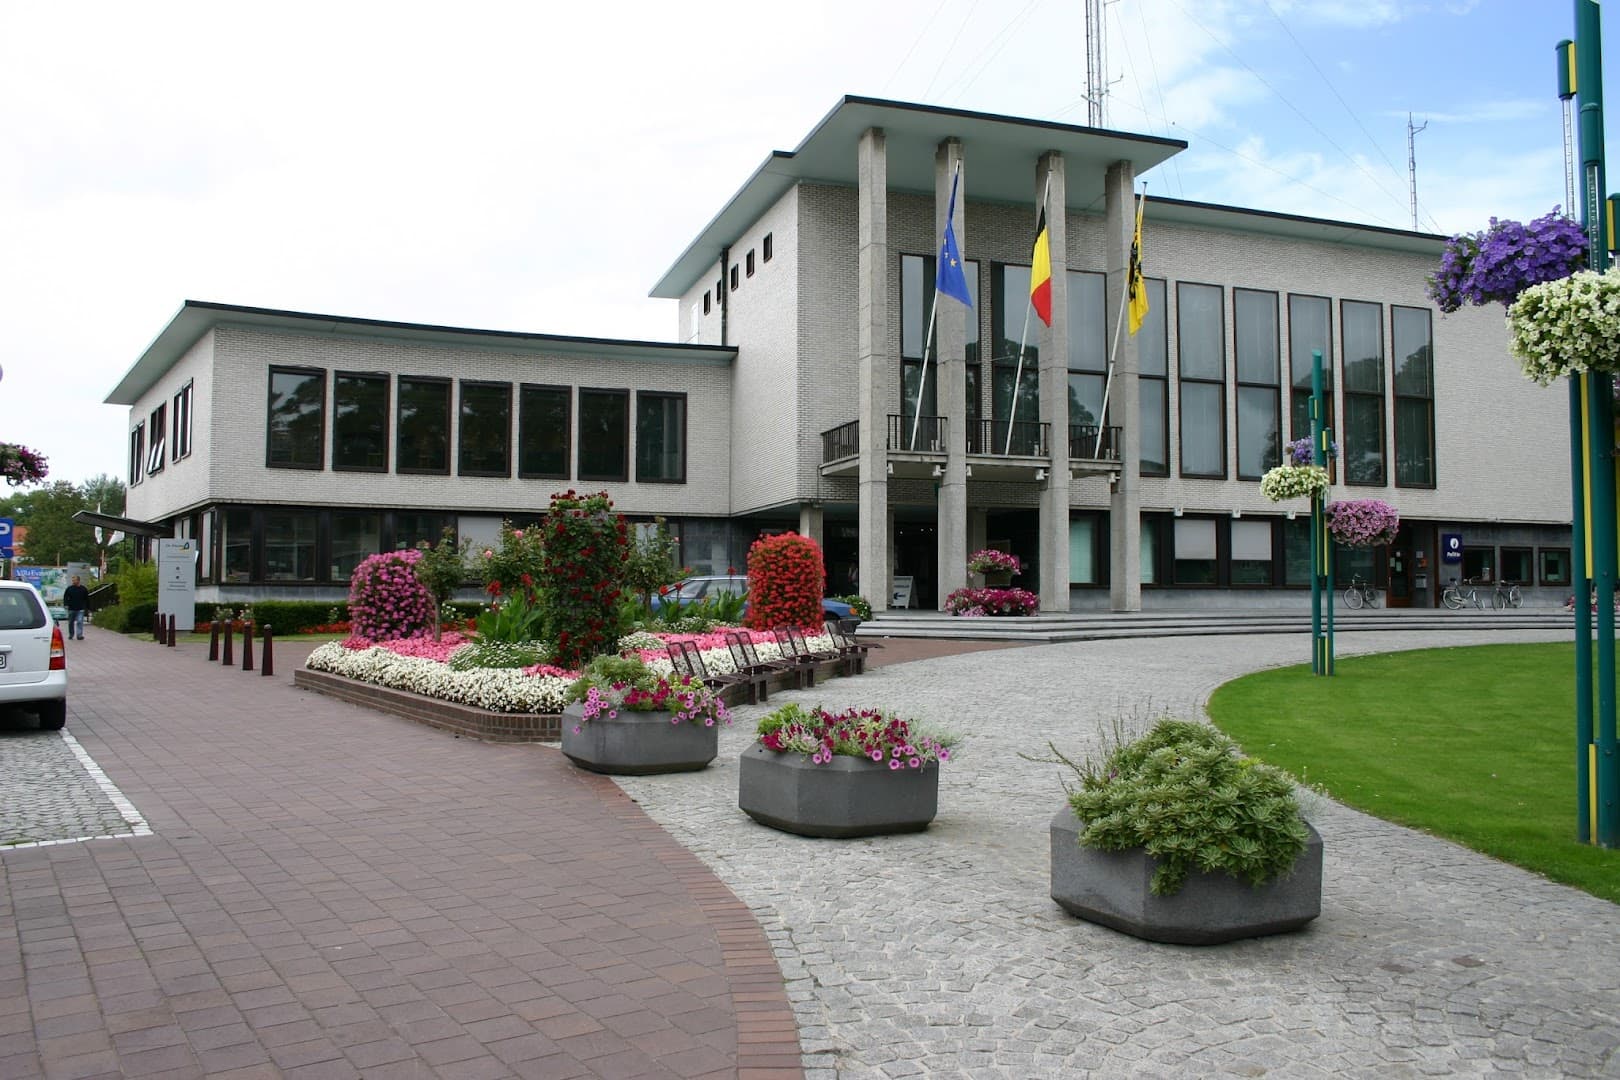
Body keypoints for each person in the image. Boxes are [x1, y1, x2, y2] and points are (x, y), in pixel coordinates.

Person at [63, 575, 89, 640]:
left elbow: (86, 598)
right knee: (71, 622)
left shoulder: (83, 589)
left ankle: (79, 635)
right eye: (73, 580)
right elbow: (65, 597)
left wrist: (87, 607)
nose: (73, 581)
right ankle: (71, 634)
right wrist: (66, 604)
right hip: (71, 608)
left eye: (74, 580)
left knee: (80, 621)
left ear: (78, 580)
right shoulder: (69, 589)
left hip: (80, 608)